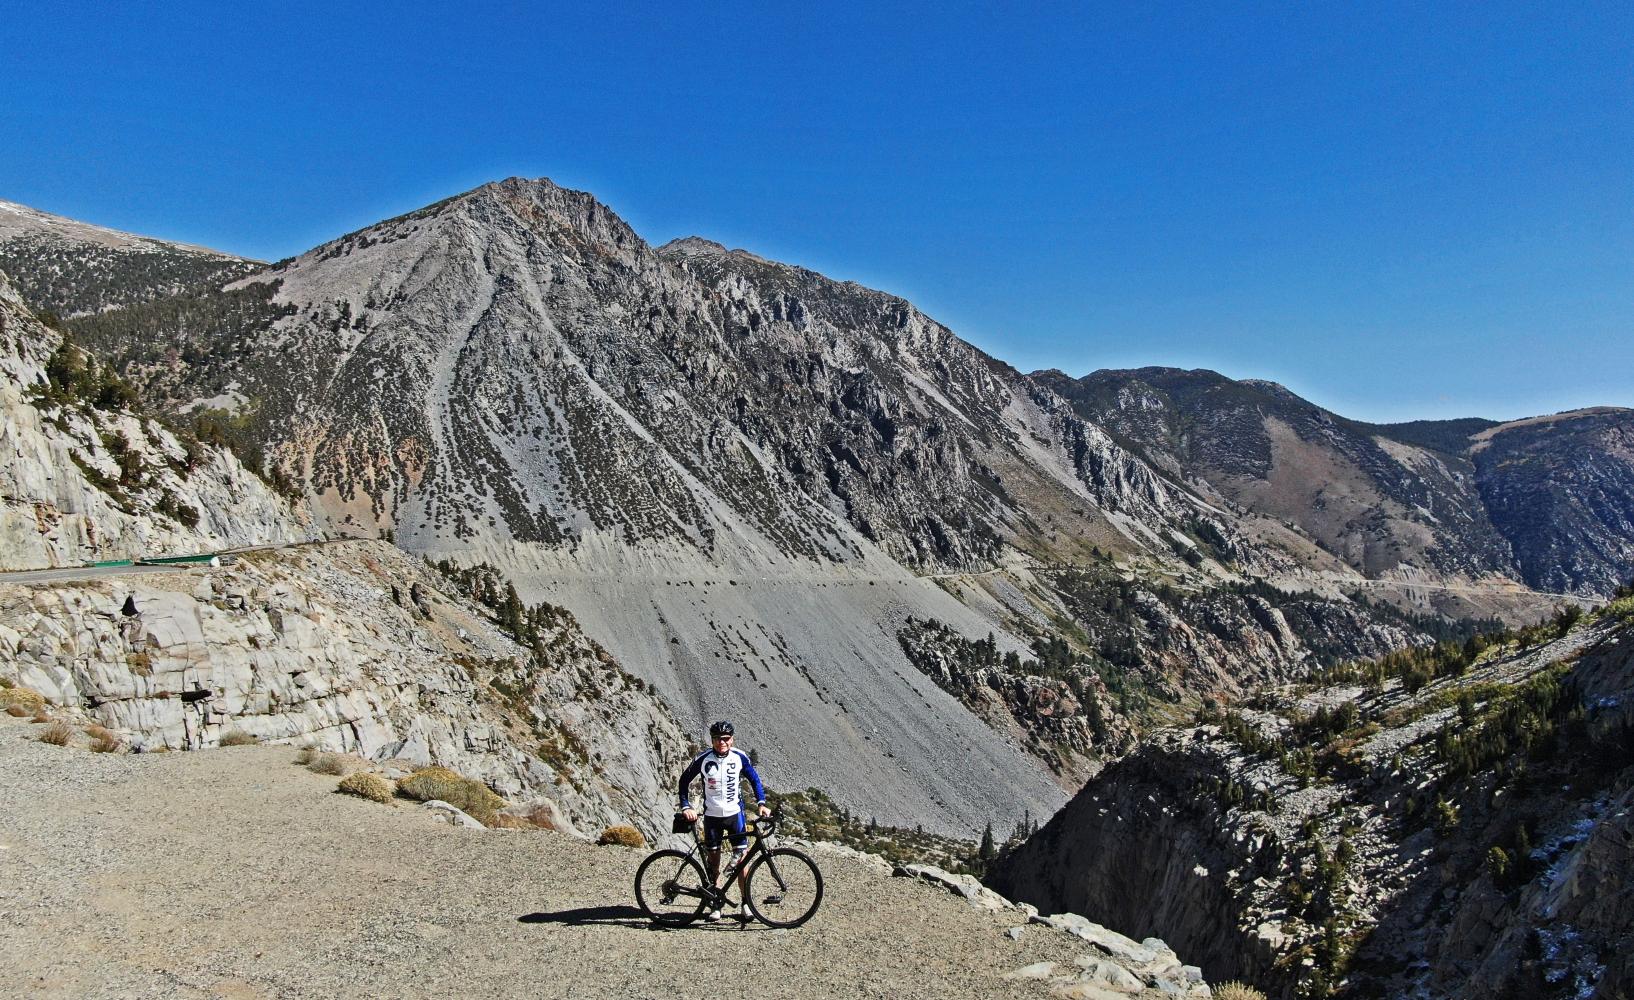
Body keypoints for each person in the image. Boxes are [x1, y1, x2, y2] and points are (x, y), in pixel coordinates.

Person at [677, 720, 771, 922]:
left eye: (726, 738)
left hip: (734, 815)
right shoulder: (703, 758)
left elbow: (754, 779)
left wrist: (761, 803)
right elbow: (684, 781)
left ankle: (746, 904)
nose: (722, 742)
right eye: (717, 739)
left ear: (732, 739)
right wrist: (686, 806)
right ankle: (715, 904)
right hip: (712, 817)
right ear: (712, 740)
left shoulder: (739, 757)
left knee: (742, 861)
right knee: (714, 863)